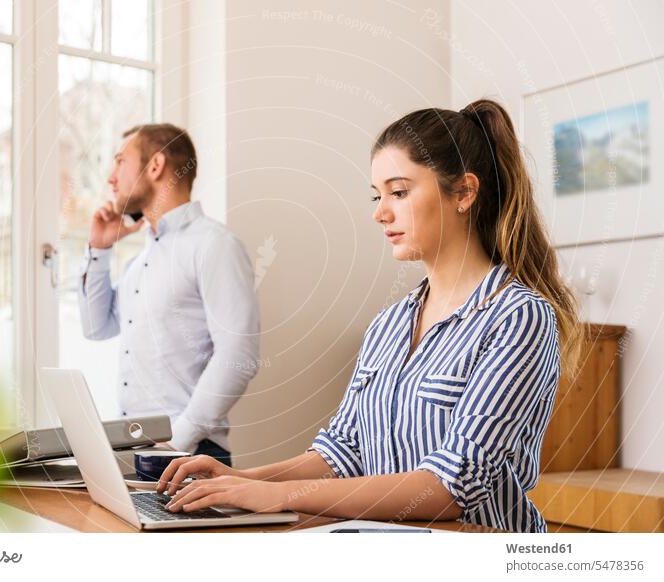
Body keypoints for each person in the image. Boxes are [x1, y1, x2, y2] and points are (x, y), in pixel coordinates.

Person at [155, 100, 583, 532]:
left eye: (399, 192)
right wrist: (239, 479)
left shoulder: (519, 317)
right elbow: (342, 452)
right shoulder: (390, 323)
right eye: (377, 196)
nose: (380, 211)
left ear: (464, 193)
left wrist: (276, 496)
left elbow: (450, 487)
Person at [79, 123, 260, 465]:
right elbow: (95, 326)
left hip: (189, 454)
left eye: (120, 161)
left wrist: (179, 441)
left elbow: (239, 355)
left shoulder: (214, 245)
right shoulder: (140, 261)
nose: (111, 178)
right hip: (136, 453)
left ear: (156, 166)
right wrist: (98, 250)